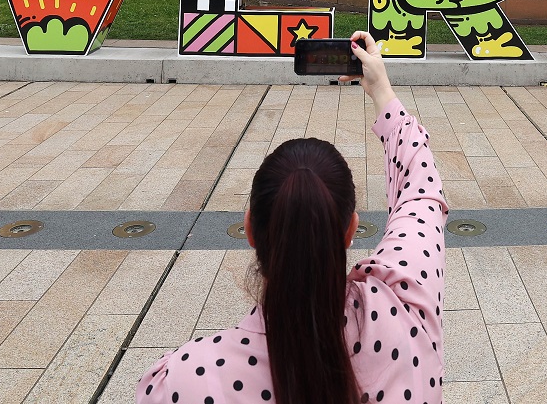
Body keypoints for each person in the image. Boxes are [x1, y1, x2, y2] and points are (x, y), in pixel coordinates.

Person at [136, 31, 446, 404]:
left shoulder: (185, 382)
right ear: (350, 230)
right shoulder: (409, 306)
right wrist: (381, 88)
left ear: (250, 228)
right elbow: (421, 190)